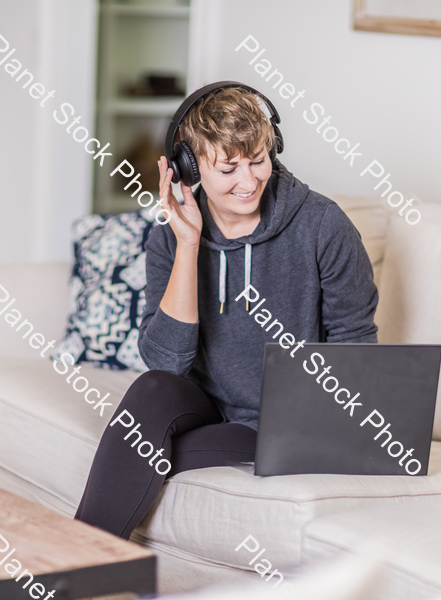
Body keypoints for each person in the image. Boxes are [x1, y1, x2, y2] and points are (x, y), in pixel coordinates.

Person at [75, 83, 378, 539]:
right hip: (205, 405)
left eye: (258, 159)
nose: (249, 180)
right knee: (152, 388)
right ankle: (73, 562)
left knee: (135, 452)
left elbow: (356, 350)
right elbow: (167, 362)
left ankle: (77, 567)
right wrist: (188, 244)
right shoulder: (169, 236)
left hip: (283, 423)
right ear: (188, 168)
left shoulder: (323, 227)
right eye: (228, 168)